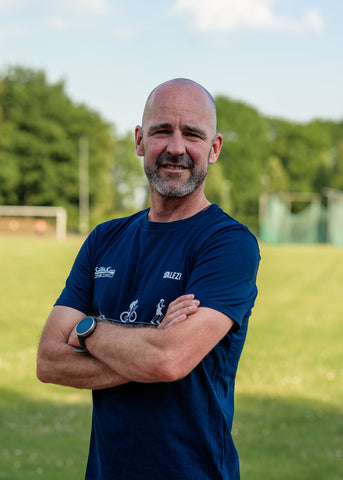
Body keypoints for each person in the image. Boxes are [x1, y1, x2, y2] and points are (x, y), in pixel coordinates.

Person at [37, 78, 260, 480]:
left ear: (214, 148)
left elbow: (167, 360)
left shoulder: (228, 244)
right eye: (162, 131)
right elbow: (49, 361)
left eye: (192, 134)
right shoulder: (104, 239)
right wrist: (153, 344)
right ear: (140, 140)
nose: (176, 148)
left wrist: (85, 331)